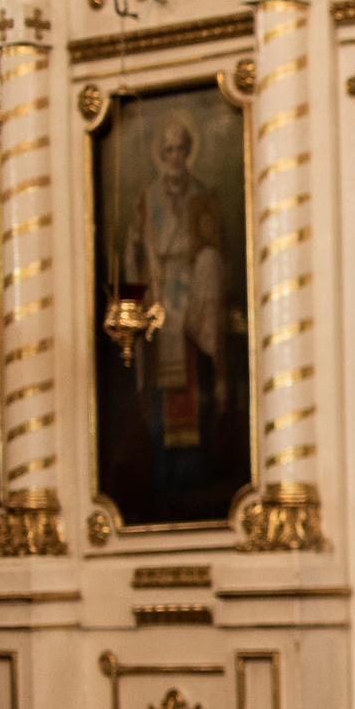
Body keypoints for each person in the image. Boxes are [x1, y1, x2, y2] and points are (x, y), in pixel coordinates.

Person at [122, 115, 229, 492]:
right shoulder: (147, 197)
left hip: (193, 298)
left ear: (188, 152)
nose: (173, 155)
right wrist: (135, 236)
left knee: (194, 386)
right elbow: (134, 251)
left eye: (179, 148)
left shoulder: (202, 193)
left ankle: (194, 475)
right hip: (160, 294)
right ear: (160, 155)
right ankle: (165, 475)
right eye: (167, 149)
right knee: (161, 395)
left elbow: (215, 246)